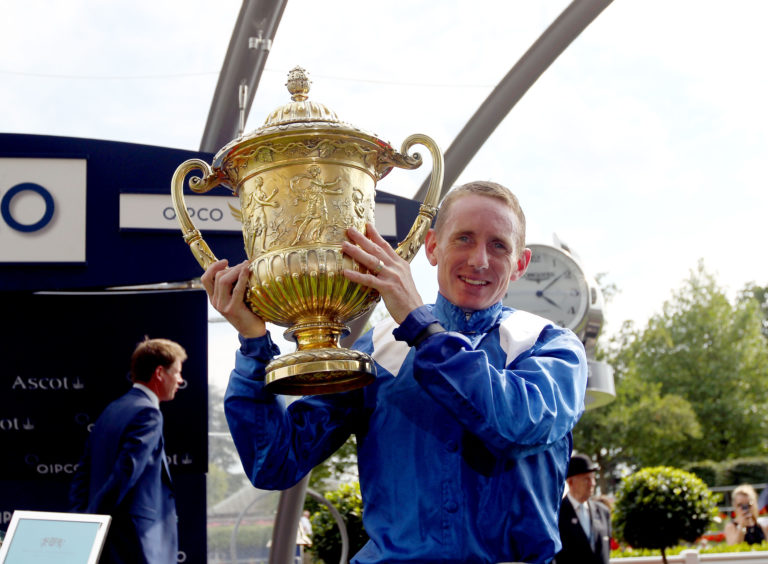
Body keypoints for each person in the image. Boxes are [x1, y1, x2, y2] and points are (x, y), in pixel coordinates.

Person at [203, 181, 588, 563]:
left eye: (499, 245)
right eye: (464, 239)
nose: (479, 260)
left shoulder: (551, 346)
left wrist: (422, 328)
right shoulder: (379, 349)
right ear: (433, 246)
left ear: (520, 264)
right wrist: (253, 343)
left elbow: (517, 426)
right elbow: (273, 462)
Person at [69, 337, 187, 564]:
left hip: (110, 541)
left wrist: (82, 521)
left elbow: (82, 473)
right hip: (136, 543)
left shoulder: (111, 410)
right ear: (160, 373)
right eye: (177, 372)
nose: (180, 380)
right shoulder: (148, 414)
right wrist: (94, 522)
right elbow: (126, 472)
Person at [554, 453, 611, 564]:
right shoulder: (556, 515)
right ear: (570, 482)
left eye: (593, 479)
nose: (592, 484)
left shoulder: (603, 512)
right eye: (586, 479)